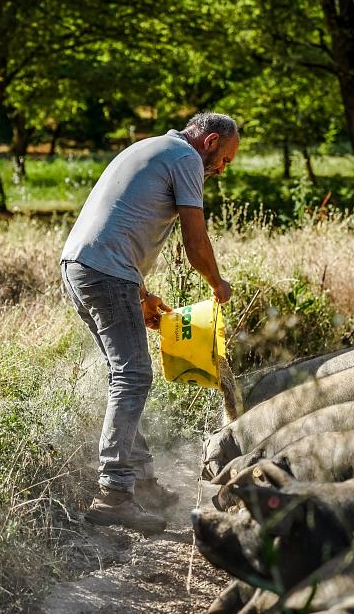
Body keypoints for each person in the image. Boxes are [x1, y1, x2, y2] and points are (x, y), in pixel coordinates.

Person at [60, 112, 239, 534]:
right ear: (210, 142)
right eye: (225, 159)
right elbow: (196, 243)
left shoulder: (153, 146)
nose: (222, 169)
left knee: (124, 375)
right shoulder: (187, 159)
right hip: (106, 271)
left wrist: (140, 293)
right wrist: (217, 283)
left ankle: (141, 481)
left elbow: (120, 221)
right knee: (133, 376)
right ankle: (113, 493)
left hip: (79, 265)